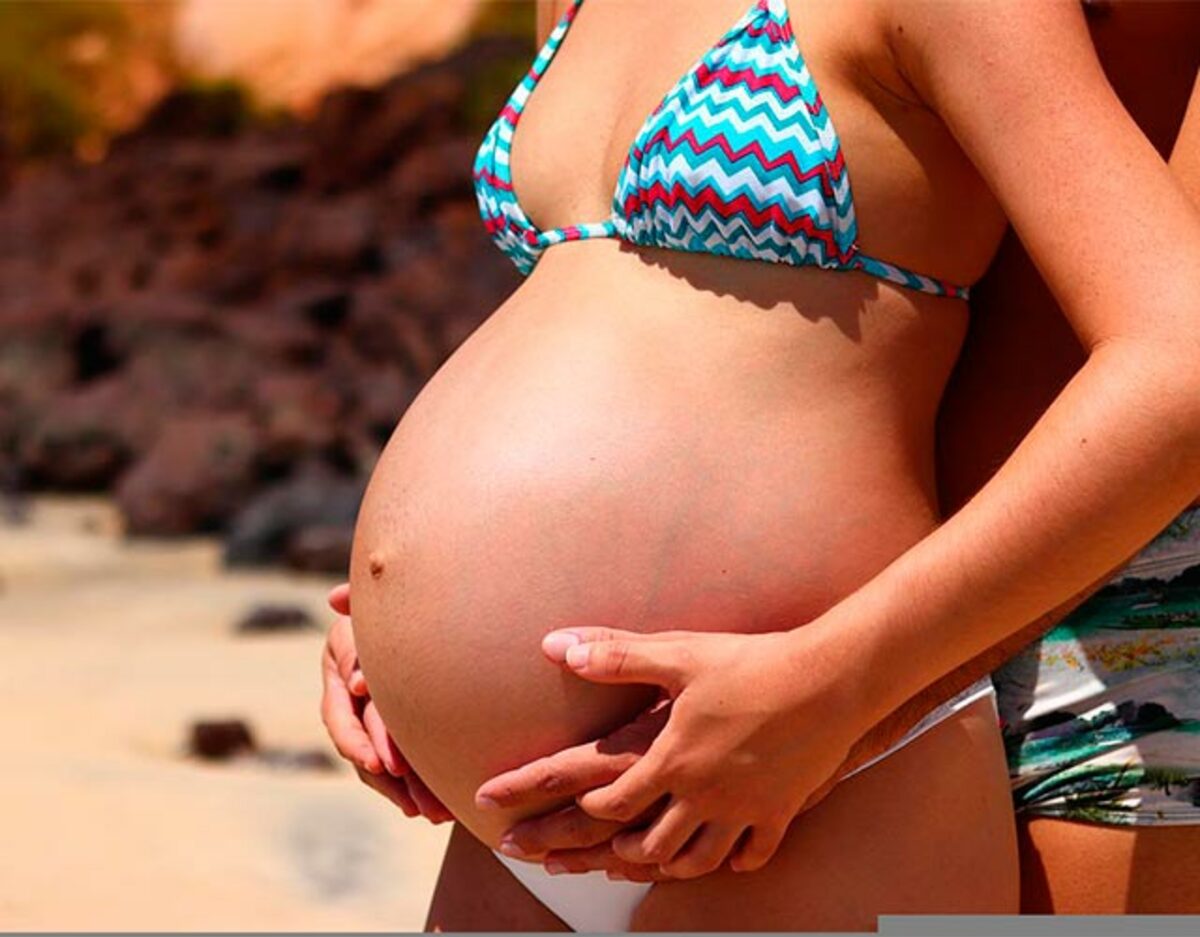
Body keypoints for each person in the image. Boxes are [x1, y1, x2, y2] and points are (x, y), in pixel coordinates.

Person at [323, 0, 1200, 929]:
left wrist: (833, 688)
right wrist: (396, 631)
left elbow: (1177, 364)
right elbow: (602, 323)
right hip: (523, 812)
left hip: (816, 766)